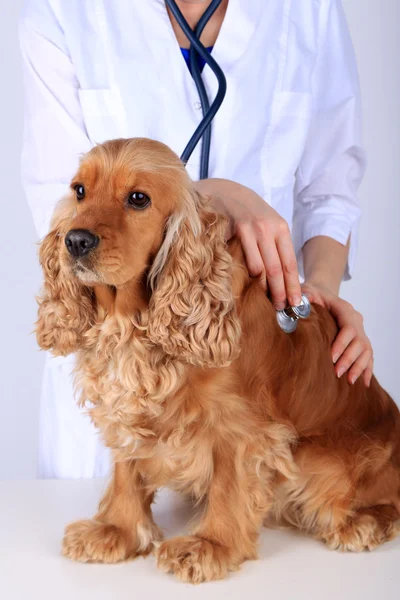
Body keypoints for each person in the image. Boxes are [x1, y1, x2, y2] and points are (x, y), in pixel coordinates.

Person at [19, 0, 373, 479]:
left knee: (249, 534)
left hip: (248, 357)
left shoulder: (308, 10)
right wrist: (211, 197)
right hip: (114, 378)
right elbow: (64, 212)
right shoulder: (61, 10)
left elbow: (329, 190)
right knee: (107, 531)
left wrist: (319, 299)